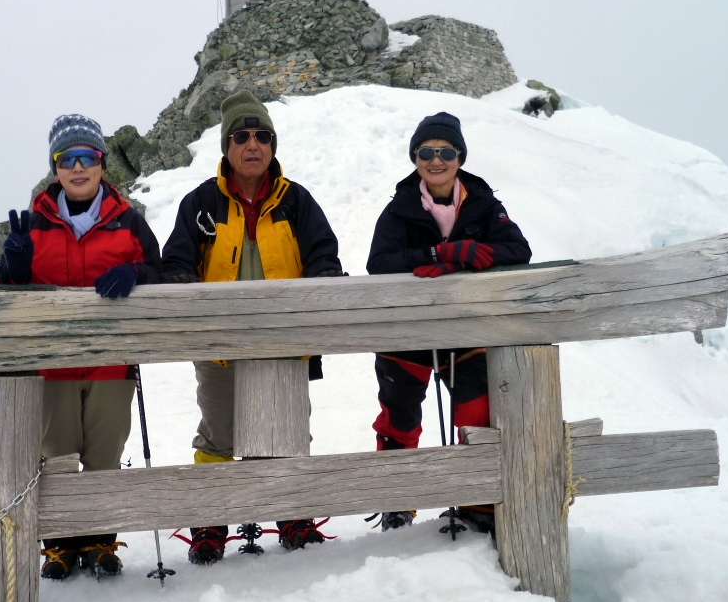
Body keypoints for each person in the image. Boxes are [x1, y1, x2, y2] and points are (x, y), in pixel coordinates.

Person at [161, 90, 344, 564]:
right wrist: (182, 281)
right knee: (219, 433)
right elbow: (177, 257)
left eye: (262, 136)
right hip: (219, 344)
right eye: (241, 136)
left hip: (284, 342)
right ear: (226, 146)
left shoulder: (295, 200)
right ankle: (210, 518)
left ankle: (291, 511)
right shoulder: (201, 202)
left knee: (284, 430)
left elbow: (323, 251)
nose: (252, 144)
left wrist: (324, 277)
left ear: (273, 145)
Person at [0, 114, 162, 580]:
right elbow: (7, 294)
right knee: (59, 455)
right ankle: (61, 545)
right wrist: (14, 266)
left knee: (105, 455)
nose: (77, 167)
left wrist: (137, 273)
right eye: (66, 159)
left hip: (111, 364)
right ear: (55, 169)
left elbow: (164, 274)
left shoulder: (128, 221)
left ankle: (101, 541)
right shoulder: (33, 224)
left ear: (102, 164)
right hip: (54, 366)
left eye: (86, 157)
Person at [365, 111, 531, 533]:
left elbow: (518, 250)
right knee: (399, 416)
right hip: (405, 335)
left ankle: (478, 500)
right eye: (426, 152)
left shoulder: (485, 205)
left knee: (475, 412)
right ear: (415, 157)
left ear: (459, 156)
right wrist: (441, 255)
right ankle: (397, 500)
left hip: (466, 331)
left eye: (445, 152)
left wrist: (469, 251)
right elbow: (378, 264)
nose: (435, 160)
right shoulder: (399, 209)